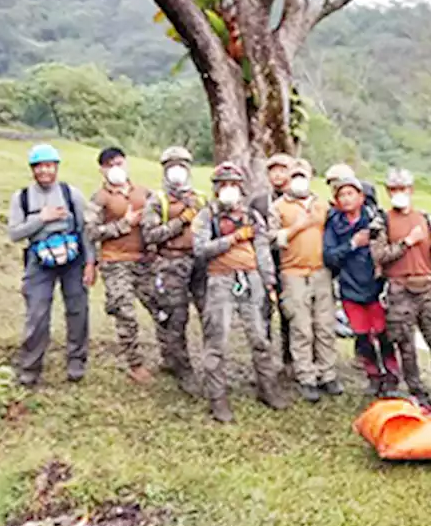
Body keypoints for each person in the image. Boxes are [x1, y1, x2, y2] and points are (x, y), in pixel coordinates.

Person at [192, 161, 288, 423]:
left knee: (259, 336)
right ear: (215, 188)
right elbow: (200, 250)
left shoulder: (251, 215)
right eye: (224, 185)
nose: (229, 190)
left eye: (233, 185)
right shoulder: (206, 216)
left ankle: (267, 388)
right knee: (217, 340)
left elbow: (263, 249)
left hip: (252, 279)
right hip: (219, 279)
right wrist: (231, 239)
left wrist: (269, 281)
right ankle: (217, 398)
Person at [6, 143, 94, 386]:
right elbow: (14, 234)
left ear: (56, 167)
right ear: (32, 169)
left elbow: (85, 230)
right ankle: (30, 368)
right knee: (37, 314)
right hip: (39, 260)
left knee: (78, 310)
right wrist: (41, 219)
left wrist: (90, 262)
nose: (45, 171)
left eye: (49, 166)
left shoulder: (70, 194)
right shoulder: (22, 198)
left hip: (73, 258)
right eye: (39, 167)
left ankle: (77, 360)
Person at [369, 167, 431, 402]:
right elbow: (379, 256)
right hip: (400, 289)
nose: (399, 192)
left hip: (428, 287)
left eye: (403, 188)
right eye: (394, 189)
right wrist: (407, 242)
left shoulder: (426, 218)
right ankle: (417, 392)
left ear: (411, 190)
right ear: (388, 191)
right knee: (405, 346)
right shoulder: (381, 220)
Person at [85, 146, 160, 384]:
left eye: (119, 162)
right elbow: (90, 231)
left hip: (145, 261)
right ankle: (134, 363)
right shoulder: (100, 198)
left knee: (162, 308)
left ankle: (173, 356)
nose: (116, 168)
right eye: (110, 165)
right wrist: (123, 224)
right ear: (102, 170)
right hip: (115, 262)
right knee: (125, 311)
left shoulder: (144, 193)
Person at [269, 159, 342, 403]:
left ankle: (327, 374)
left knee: (324, 325)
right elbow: (270, 238)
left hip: (321, 271)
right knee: (301, 327)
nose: (299, 180)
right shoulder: (278, 207)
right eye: (295, 175)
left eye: (304, 175)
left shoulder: (323, 205)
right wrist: (295, 228)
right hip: (293, 272)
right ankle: (306, 376)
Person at [140, 145, 207, 393]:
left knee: (209, 314)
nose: (177, 172)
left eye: (182, 166)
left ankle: (212, 367)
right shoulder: (157, 201)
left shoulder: (200, 198)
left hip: (200, 263)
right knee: (176, 318)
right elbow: (151, 234)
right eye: (172, 167)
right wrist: (181, 221)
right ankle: (182, 369)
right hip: (171, 264)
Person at [324, 176, 396, 396]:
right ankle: (373, 375)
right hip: (350, 287)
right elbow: (330, 256)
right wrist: (353, 244)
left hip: (376, 286)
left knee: (384, 334)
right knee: (362, 336)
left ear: (361, 197)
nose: (346, 199)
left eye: (350, 194)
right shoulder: (334, 224)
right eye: (341, 195)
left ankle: (392, 376)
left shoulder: (376, 219)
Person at [253, 153, 294, 365]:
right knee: (262, 313)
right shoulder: (259, 202)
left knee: (291, 314)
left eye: (283, 169)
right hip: (263, 263)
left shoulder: (300, 199)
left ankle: (290, 359)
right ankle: (265, 361)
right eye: (273, 170)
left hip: (291, 263)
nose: (278, 174)